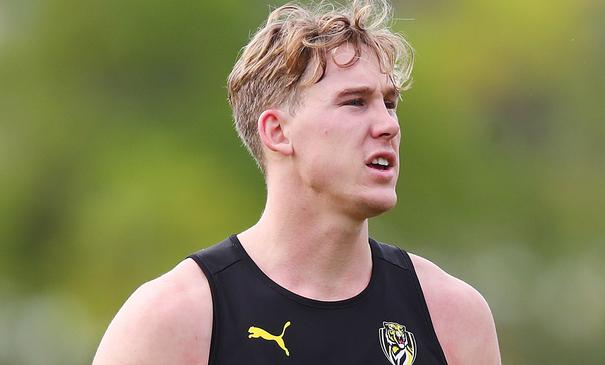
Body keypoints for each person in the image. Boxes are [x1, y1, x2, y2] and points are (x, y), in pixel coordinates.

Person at [93, 0, 501, 364]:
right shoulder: (173, 319)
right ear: (277, 132)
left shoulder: (451, 316)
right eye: (355, 102)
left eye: (390, 103)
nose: (388, 125)